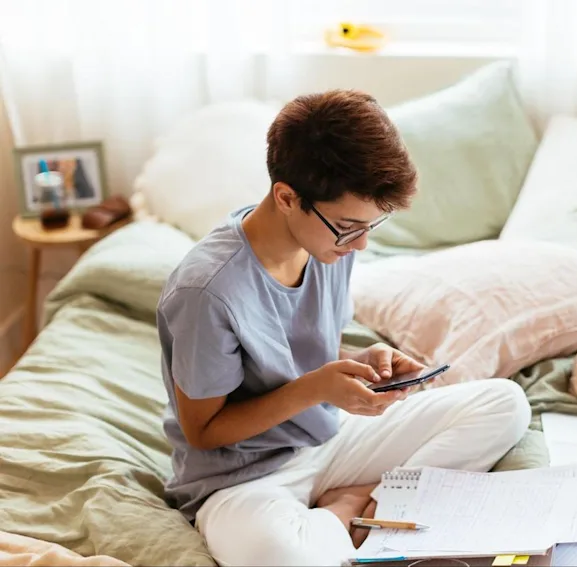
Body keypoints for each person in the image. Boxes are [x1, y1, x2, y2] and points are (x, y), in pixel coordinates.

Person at [156, 89, 532, 566]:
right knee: (279, 556)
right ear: (287, 198)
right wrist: (315, 389)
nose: (361, 244)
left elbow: (304, 358)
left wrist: (360, 363)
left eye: (372, 226)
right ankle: (347, 510)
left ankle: (365, 498)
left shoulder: (326, 245)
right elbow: (205, 431)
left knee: (505, 403)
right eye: (350, 227)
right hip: (241, 477)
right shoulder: (206, 292)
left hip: (327, 437)